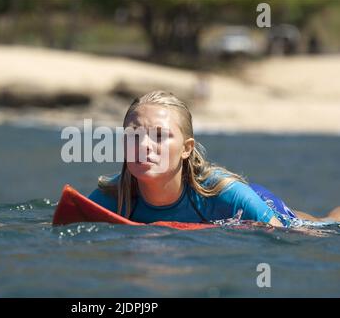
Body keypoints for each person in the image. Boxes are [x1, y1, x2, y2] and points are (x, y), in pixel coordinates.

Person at [88, 91, 340, 227]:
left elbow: (283, 241)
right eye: (134, 136)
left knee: (317, 225)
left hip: (260, 202)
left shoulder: (228, 195)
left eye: (159, 136)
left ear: (186, 148)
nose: (143, 145)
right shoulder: (110, 196)